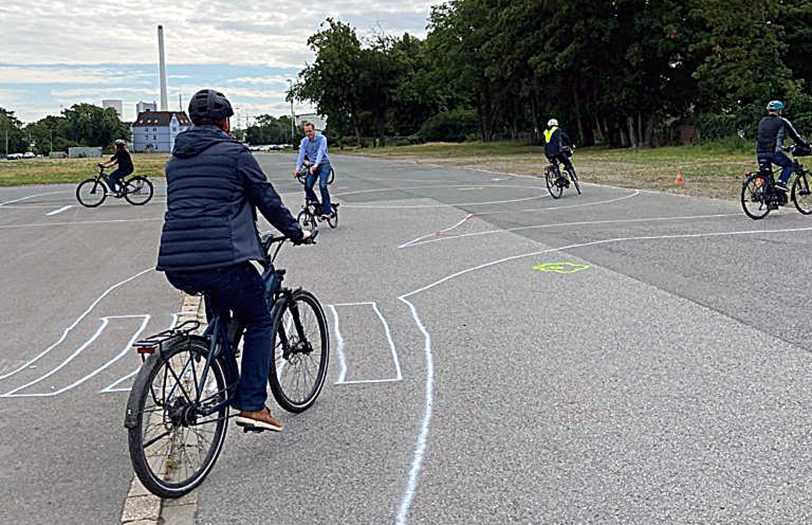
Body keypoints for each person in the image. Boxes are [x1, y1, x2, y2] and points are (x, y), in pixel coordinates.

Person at [156, 89, 311, 432]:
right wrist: (295, 231)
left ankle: (229, 380)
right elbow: (266, 197)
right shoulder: (235, 153)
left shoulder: (175, 160)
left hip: (176, 263)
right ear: (226, 122)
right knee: (258, 320)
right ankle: (253, 405)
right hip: (222, 259)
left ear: (193, 122)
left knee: (223, 323)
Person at [756, 100, 809, 192]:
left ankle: (769, 199)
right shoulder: (782, 121)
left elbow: (768, 137)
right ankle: (781, 182)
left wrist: (783, 147)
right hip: (773, 153)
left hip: (760, 153)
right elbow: (795, 136)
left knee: (766, 176)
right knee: (790, 165)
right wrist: (805, 146)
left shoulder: (762, 121)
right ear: (780, 110)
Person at [293, 122, 333, 219]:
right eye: (306, 132)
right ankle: (318, 207)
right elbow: (301, 155)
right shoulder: (304, 141)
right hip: (312, 166)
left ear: (314, 130)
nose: (308, 133)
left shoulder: (322, 139)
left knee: (322, 186)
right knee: (307, 186)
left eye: (310, 131)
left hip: (324, 164)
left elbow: (321, 152)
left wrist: (316, 165)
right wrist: (297, 169)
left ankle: (327, 211)